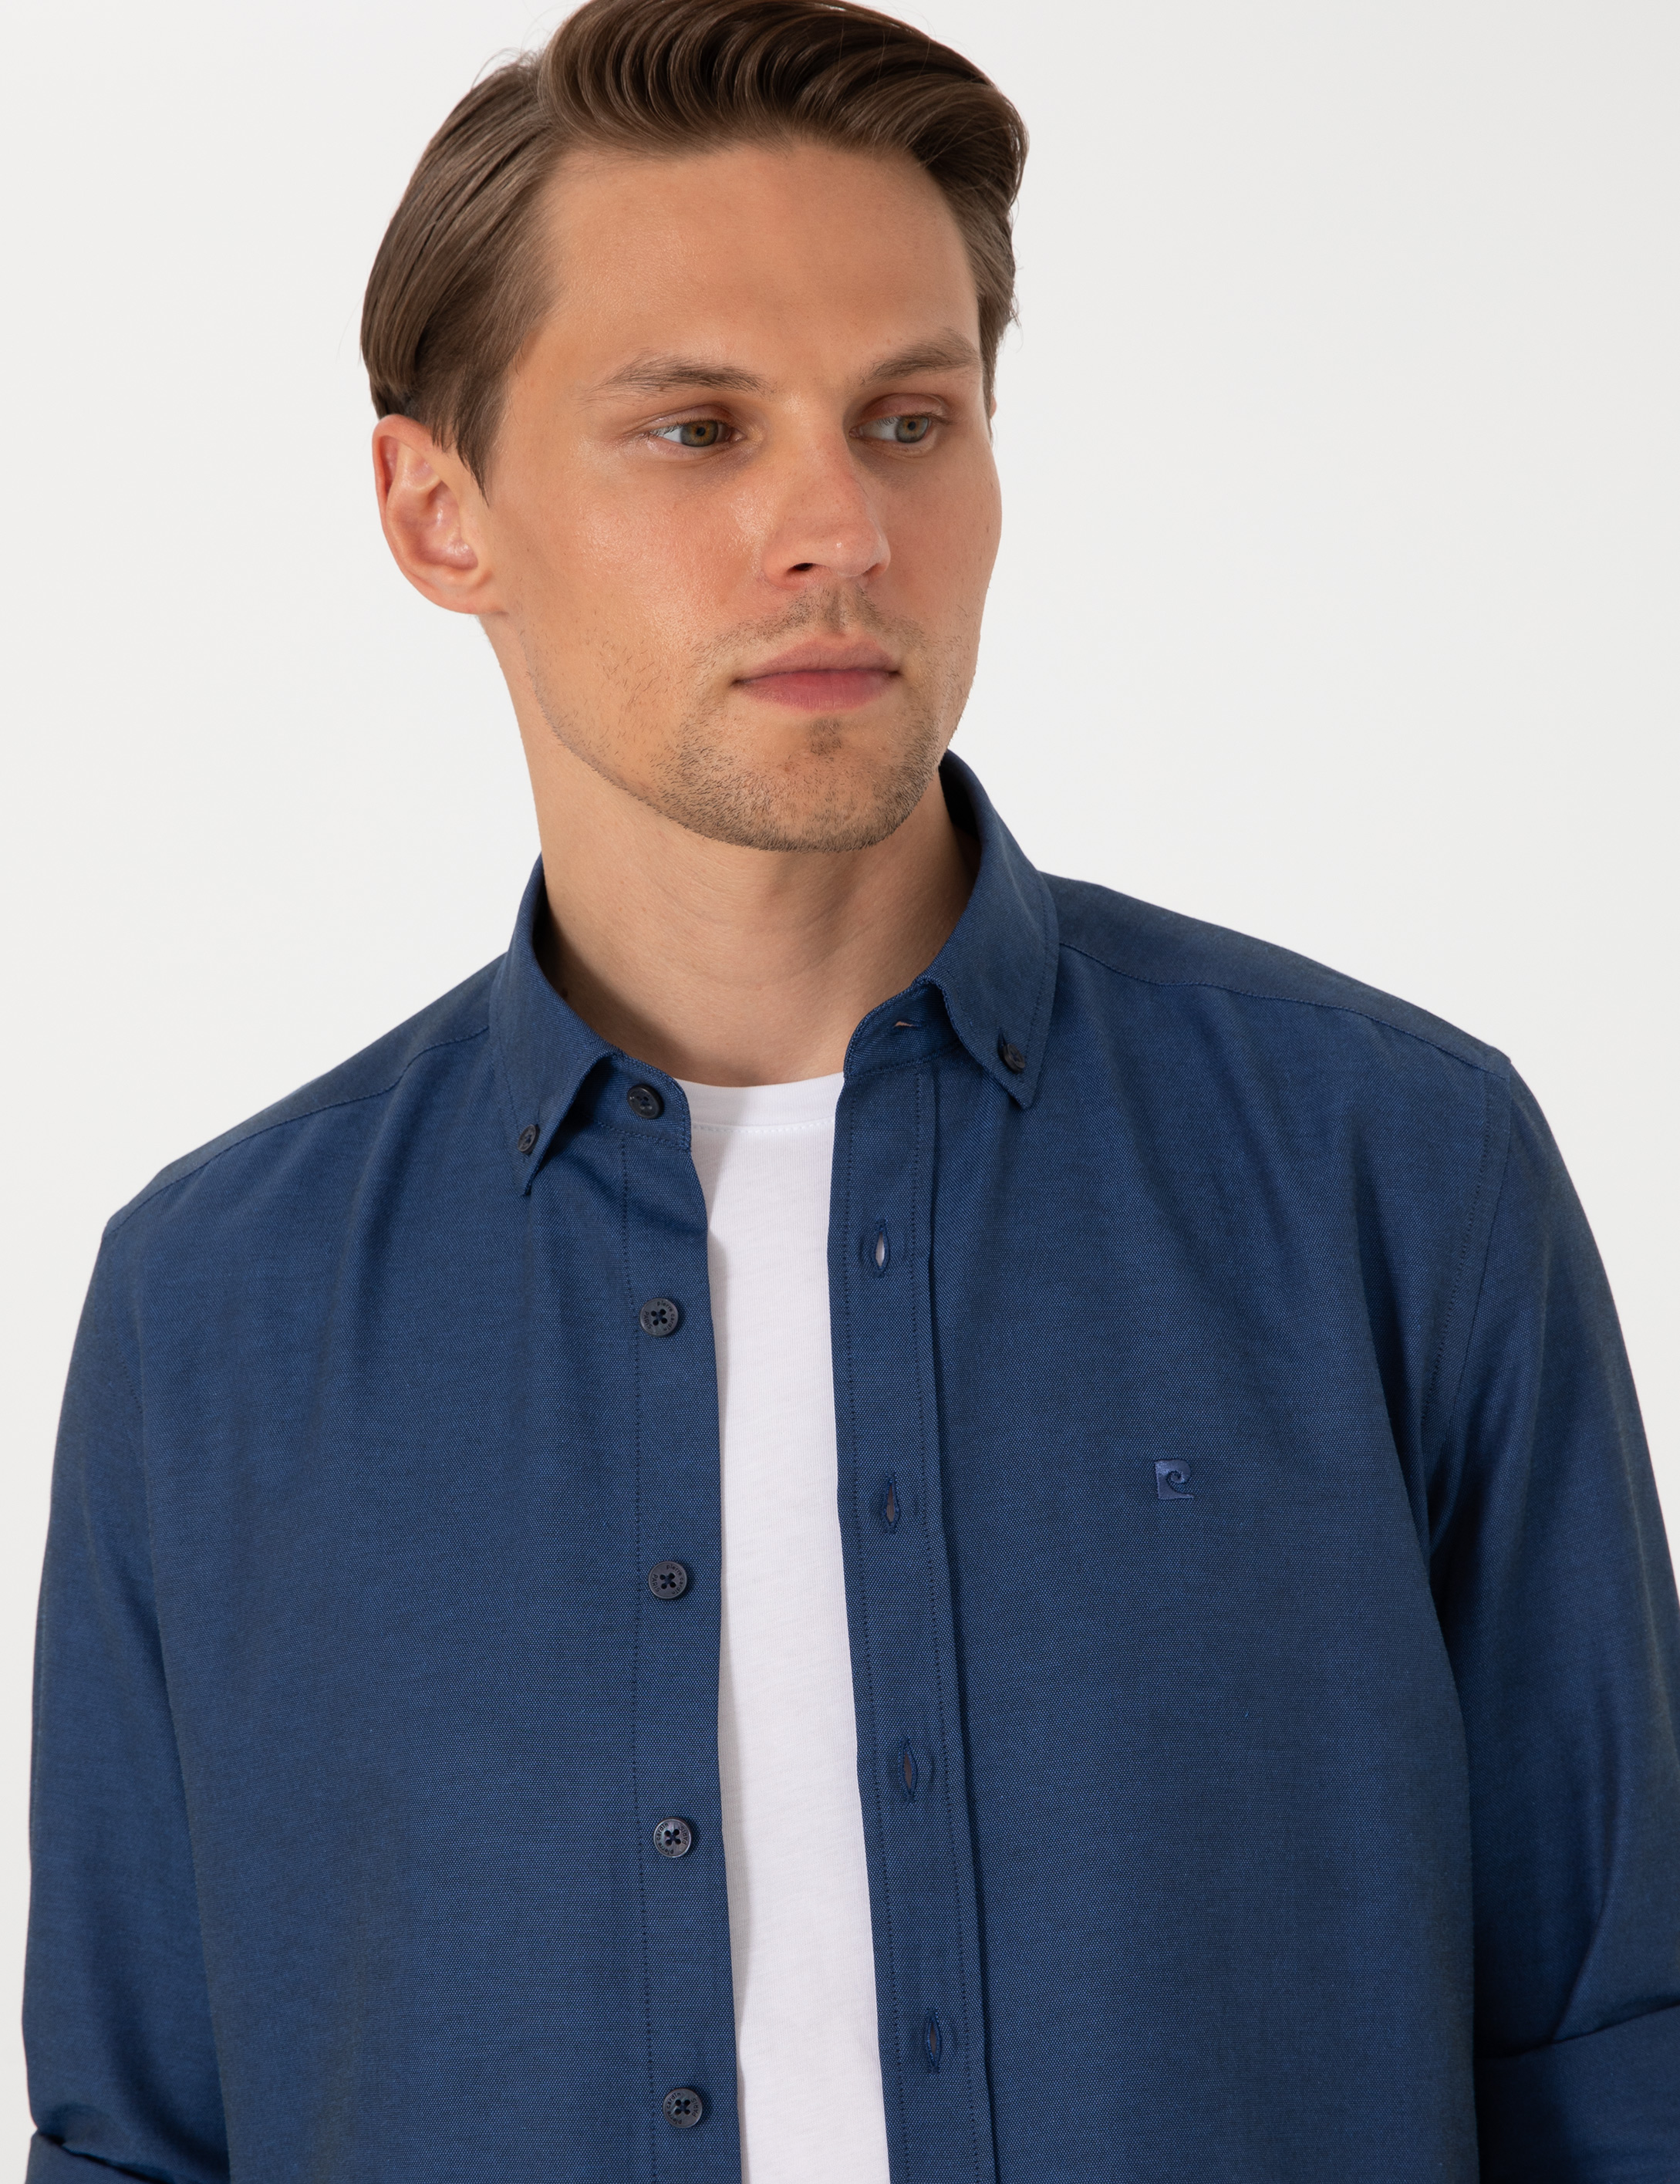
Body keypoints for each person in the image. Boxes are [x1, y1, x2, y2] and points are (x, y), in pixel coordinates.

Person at [22, 0, 1679, 2177]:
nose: (838, 528)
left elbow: (1618, 2060)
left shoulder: (1391, 1174)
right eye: (697, 428)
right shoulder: (216, 1310)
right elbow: (141, 2137)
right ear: (441, 515)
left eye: (909, 421)